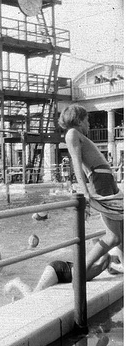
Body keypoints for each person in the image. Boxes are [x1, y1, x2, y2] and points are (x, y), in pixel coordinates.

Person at [59, 104, 123, 279]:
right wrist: (85, 192)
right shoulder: (72, 134)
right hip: (100, 181)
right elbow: (76, 164)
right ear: (79, 120)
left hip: (107, 181)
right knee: (114, 237)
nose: (89, 124)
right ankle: (79, 273)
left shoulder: (78, 135)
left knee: (124, 231)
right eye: (87, 120)